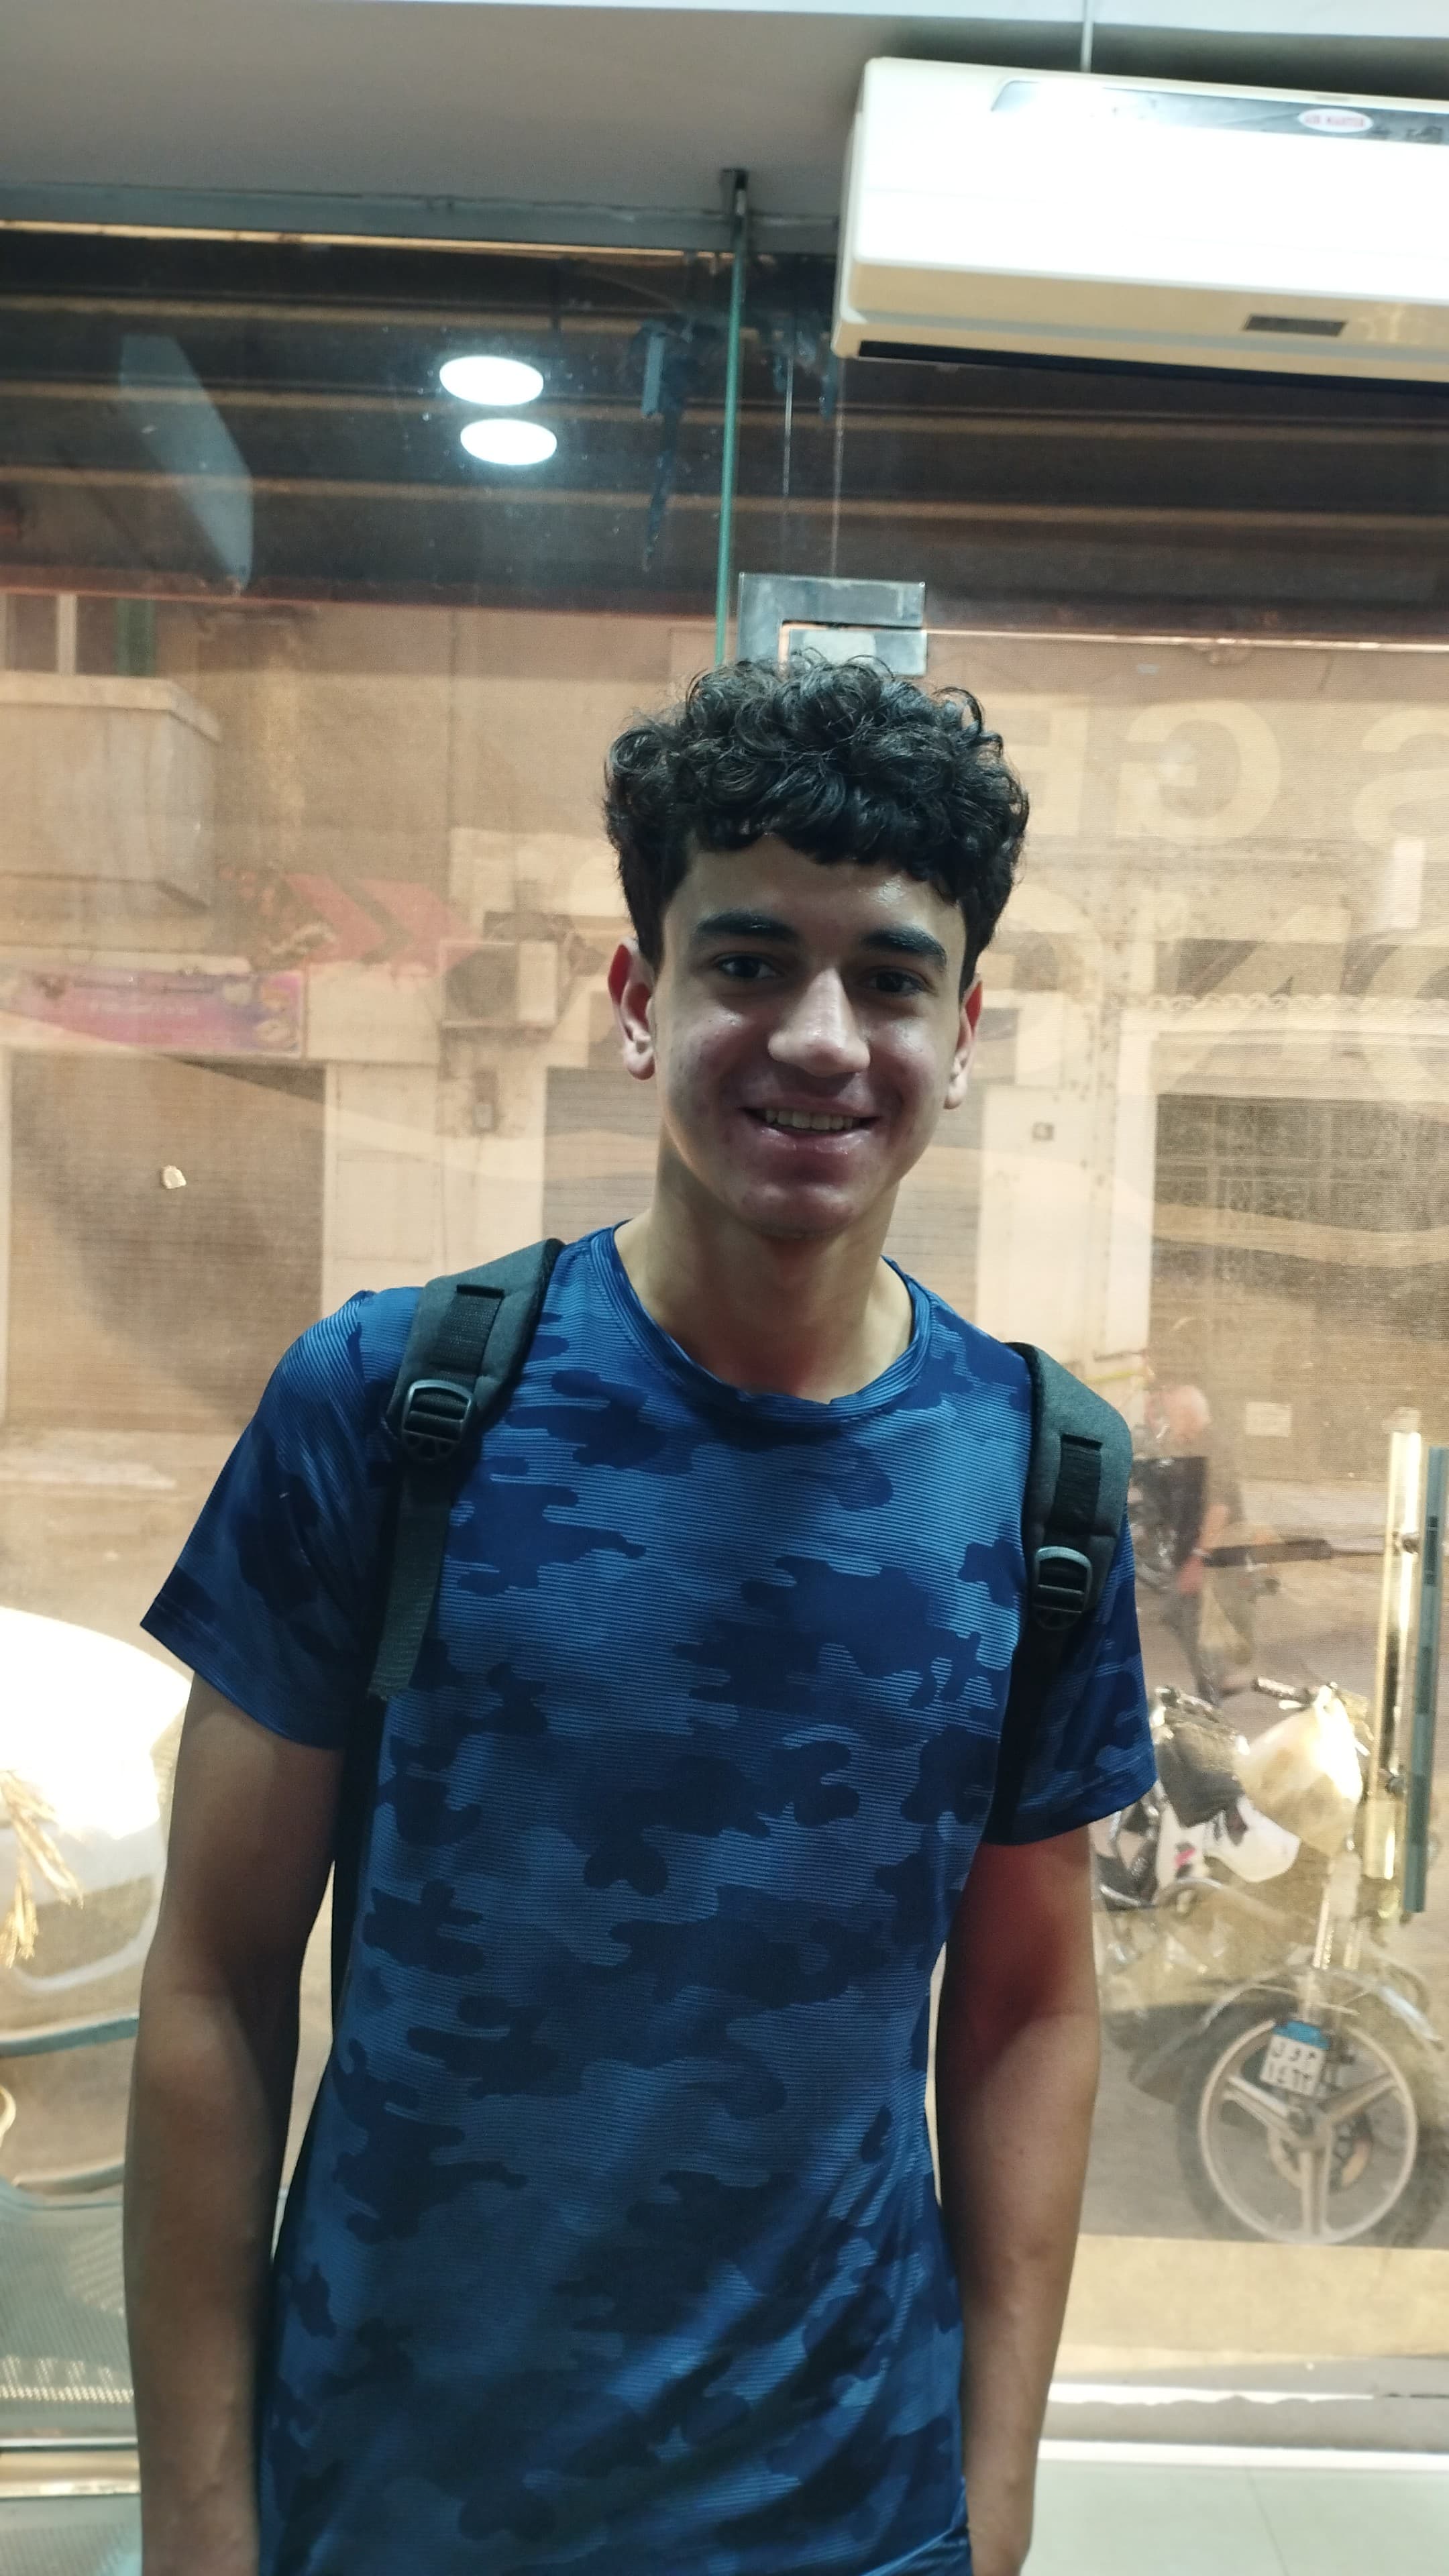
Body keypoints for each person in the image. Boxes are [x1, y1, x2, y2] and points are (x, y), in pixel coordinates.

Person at [125, 658, 1155, 2576]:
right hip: (397, 2502)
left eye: (890, 978)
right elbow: (213, 1979)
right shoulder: (394, 1404)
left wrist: (993, 2488)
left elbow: (1027, 2008)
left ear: (962, 1029)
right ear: (636, 998)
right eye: (748, 961)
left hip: (847, 2516)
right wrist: (197, 2515)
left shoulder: (1042, 1478)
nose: (820, 1038)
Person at [1139, 1379, 1254, 1703]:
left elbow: (1220, 1507)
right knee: (1182, 1615)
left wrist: (1199, 1559)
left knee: (1189, 1619)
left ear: (1188, 1415)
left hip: (1214, 1555)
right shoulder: (1192, 1444)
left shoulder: (1214, 1447)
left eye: (1173, 1414)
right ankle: (1220, 1680)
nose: (1170, 1420)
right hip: (1195, 1551)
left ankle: (1213, 1694)